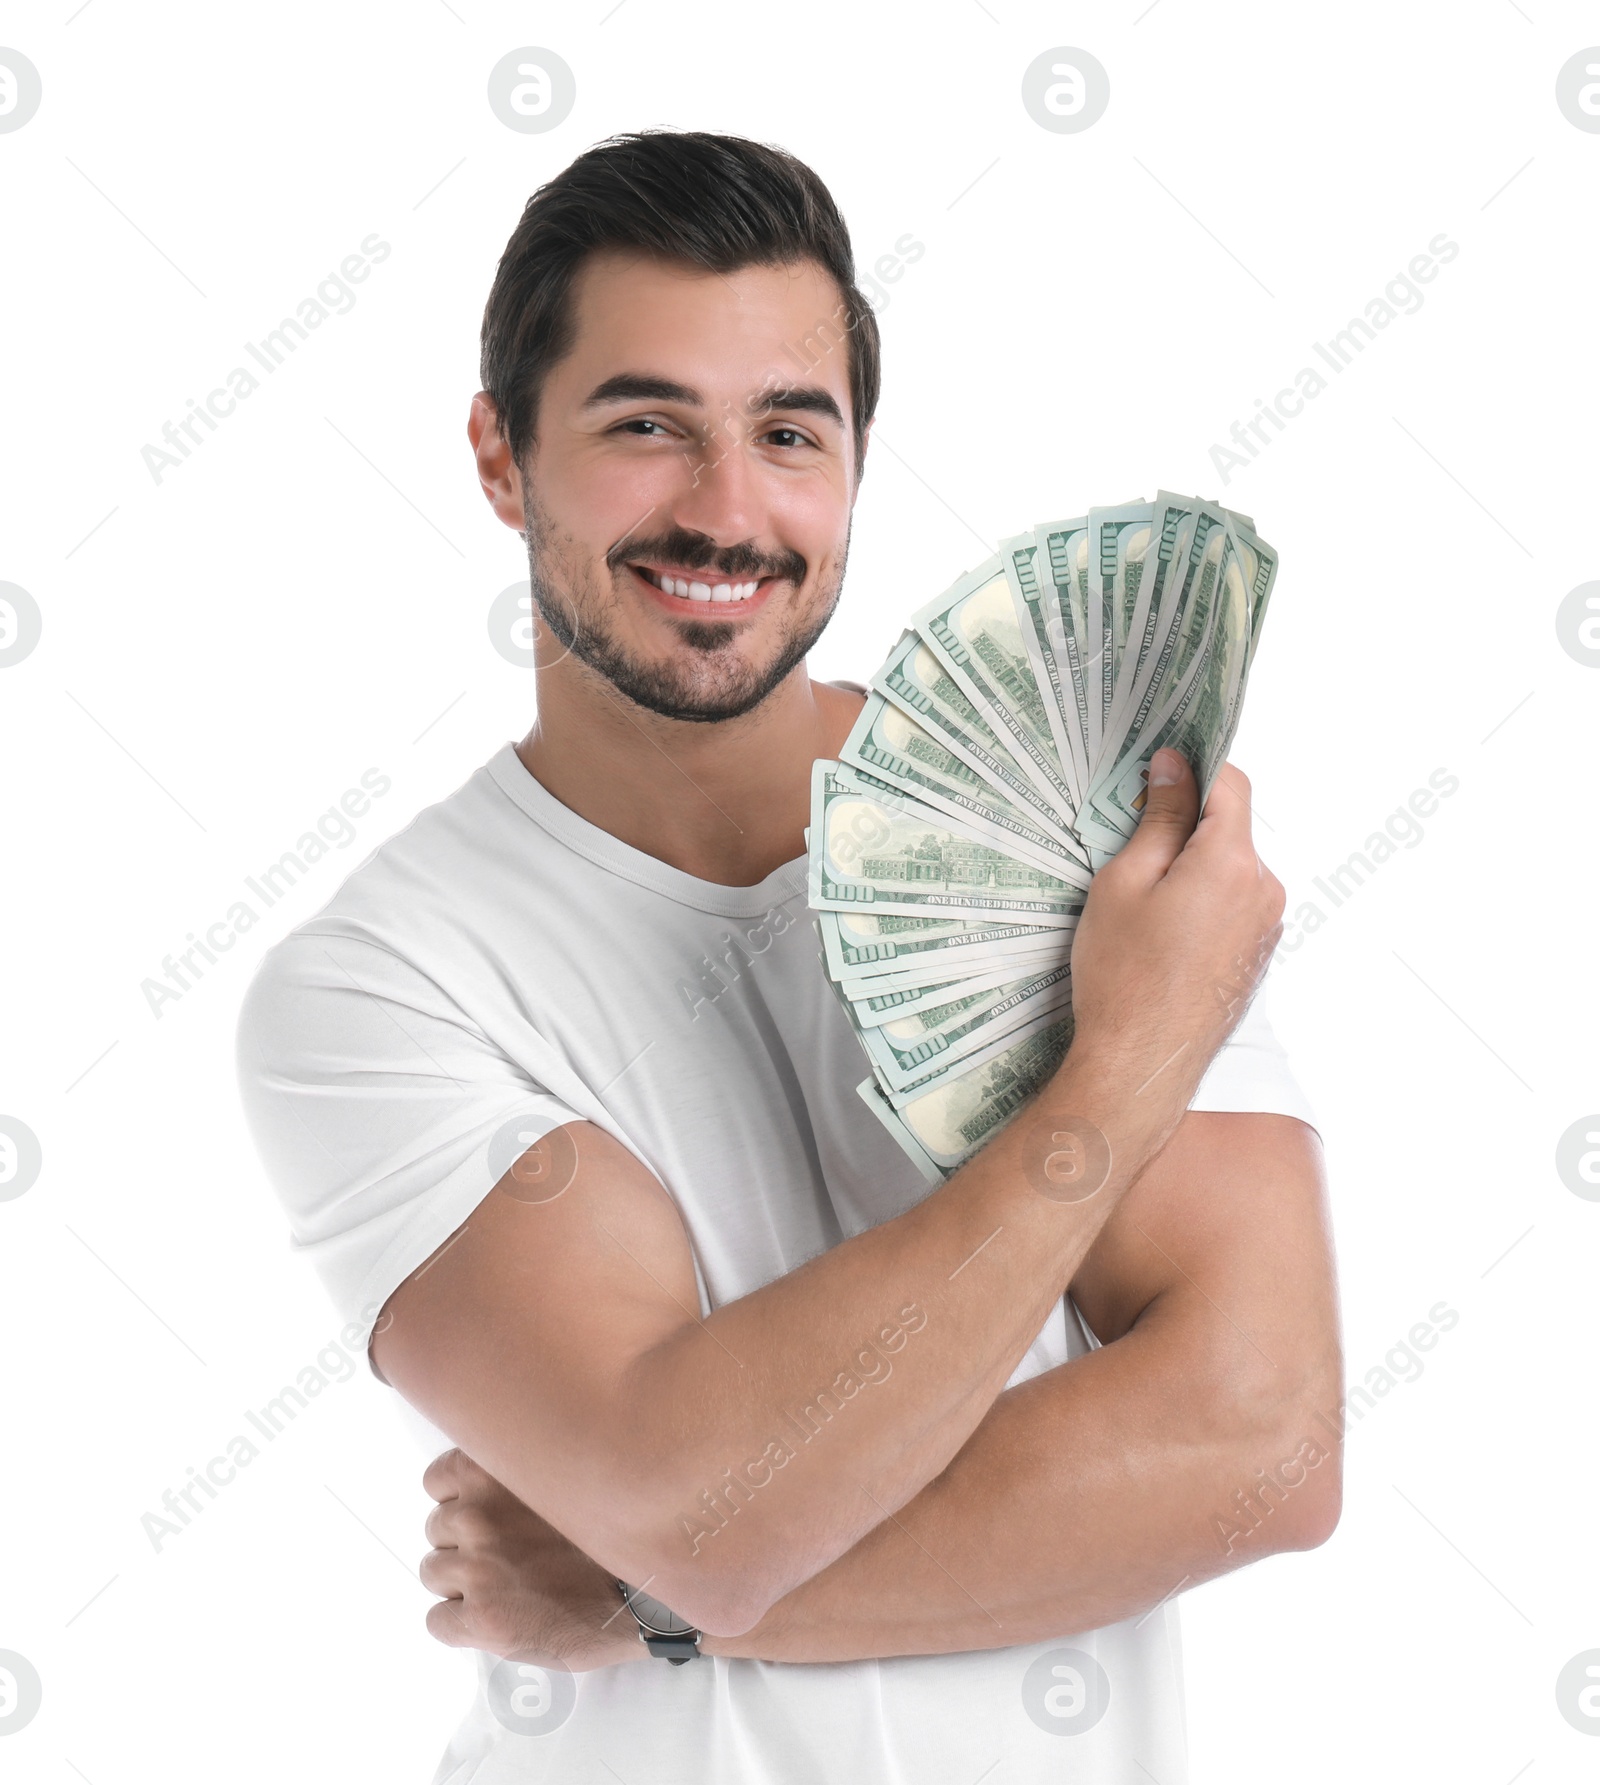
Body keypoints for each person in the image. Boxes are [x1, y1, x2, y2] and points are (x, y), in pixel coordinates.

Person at [236, 128, 1342, 1783]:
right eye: (645, 426)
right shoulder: (380, 986)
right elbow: (705, 1500)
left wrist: (653, 1598)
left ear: (855, 464)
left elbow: (1259, 1439)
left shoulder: (1077, 818)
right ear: (498, 454)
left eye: (786, 431)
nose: (727, 508)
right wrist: (1122, 1061)